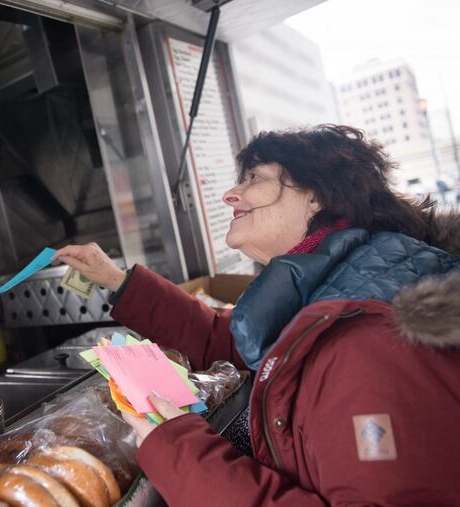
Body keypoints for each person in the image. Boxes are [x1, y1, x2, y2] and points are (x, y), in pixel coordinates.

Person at [54, 125, 460, 506]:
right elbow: (227, 339)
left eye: (255, 179)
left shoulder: (369, 343)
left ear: (318, 196)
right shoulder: (330, 287)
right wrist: (115, 279)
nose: (231, 194)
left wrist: (180, 449)